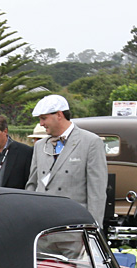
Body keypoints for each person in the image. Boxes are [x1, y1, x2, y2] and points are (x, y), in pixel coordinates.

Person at [26, 94, 108, 226]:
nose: (41, 124)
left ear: (59, 115)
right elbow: (32, 185)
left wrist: (92, 230)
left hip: (73, 228)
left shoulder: (91, 142)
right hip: (42, 228)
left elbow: (97, 193)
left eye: (44, 118)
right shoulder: (39, 146)